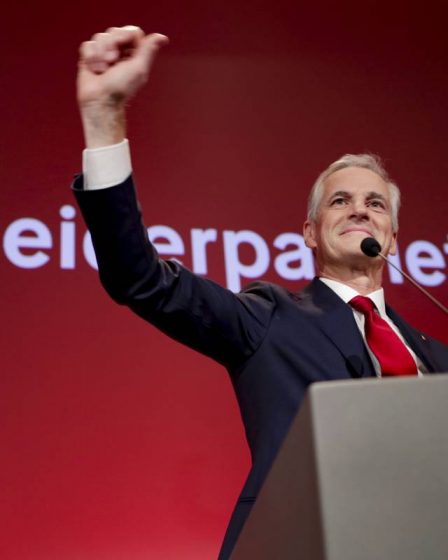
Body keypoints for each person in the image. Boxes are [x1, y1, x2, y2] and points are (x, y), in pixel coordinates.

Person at [73, 26, 448, 559]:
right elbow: (140, 278)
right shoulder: (270, 317)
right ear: (310, 233)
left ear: (392, 238)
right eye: (340, 201)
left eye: (375, 204)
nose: (360, 210)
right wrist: (104, 118)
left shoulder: (438, 360)